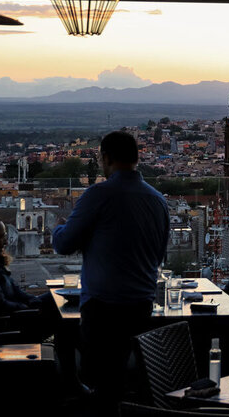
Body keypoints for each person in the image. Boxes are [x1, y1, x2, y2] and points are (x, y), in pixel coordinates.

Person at [52, 130, 169, 401]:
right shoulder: (157, 200)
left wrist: (58, 229)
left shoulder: (99, 194)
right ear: (137, 158)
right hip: (142, 304)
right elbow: (159, 254)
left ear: (105, 158)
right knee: (130, 379)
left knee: (101, 380)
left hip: (103, 306)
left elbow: (64, 244)